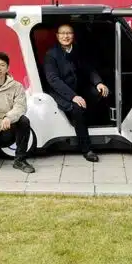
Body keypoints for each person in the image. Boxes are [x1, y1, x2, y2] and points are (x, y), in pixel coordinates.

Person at [44, 23, 109, 162]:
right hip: (60, 92)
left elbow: (88, 69)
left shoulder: (78, 50)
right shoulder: (51, 55)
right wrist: (73, 96)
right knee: (78, 108)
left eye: (69, 33)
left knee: (101, 93)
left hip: (78, 88)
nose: (66, 36)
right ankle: (86, 149)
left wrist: (99, 83)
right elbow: (53, 80)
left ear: (73, 35)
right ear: (57, 36)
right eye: (62, 33)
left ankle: (87, 122)